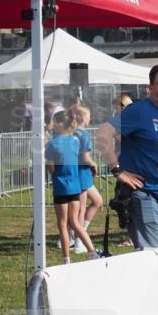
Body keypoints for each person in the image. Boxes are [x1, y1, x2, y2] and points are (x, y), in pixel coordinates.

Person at [96, 64, 158, 250]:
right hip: (145, 196)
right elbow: (103, 134)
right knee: (153, 260)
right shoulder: (138, 110)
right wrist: (117, 170)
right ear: (151, 88)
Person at [46, 110, 99, 263]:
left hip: (61, 188)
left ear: (59, 124)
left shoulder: (52, 144)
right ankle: (91, 251)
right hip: (75, 187)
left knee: (62, 224)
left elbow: (51, 168)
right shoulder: (75, 141)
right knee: (76, 222)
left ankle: (66, 258)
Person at [71, 105, 103, 253]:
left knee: (97, 201)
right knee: (80, 210)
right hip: (81, 174)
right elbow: (85, 157)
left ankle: (75, 234)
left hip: (77, 173)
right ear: (82, 118)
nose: (90, 118)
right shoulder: (83, 135)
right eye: (89, 116)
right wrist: (93, 163)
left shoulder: (70, 132)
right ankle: (79, 241)